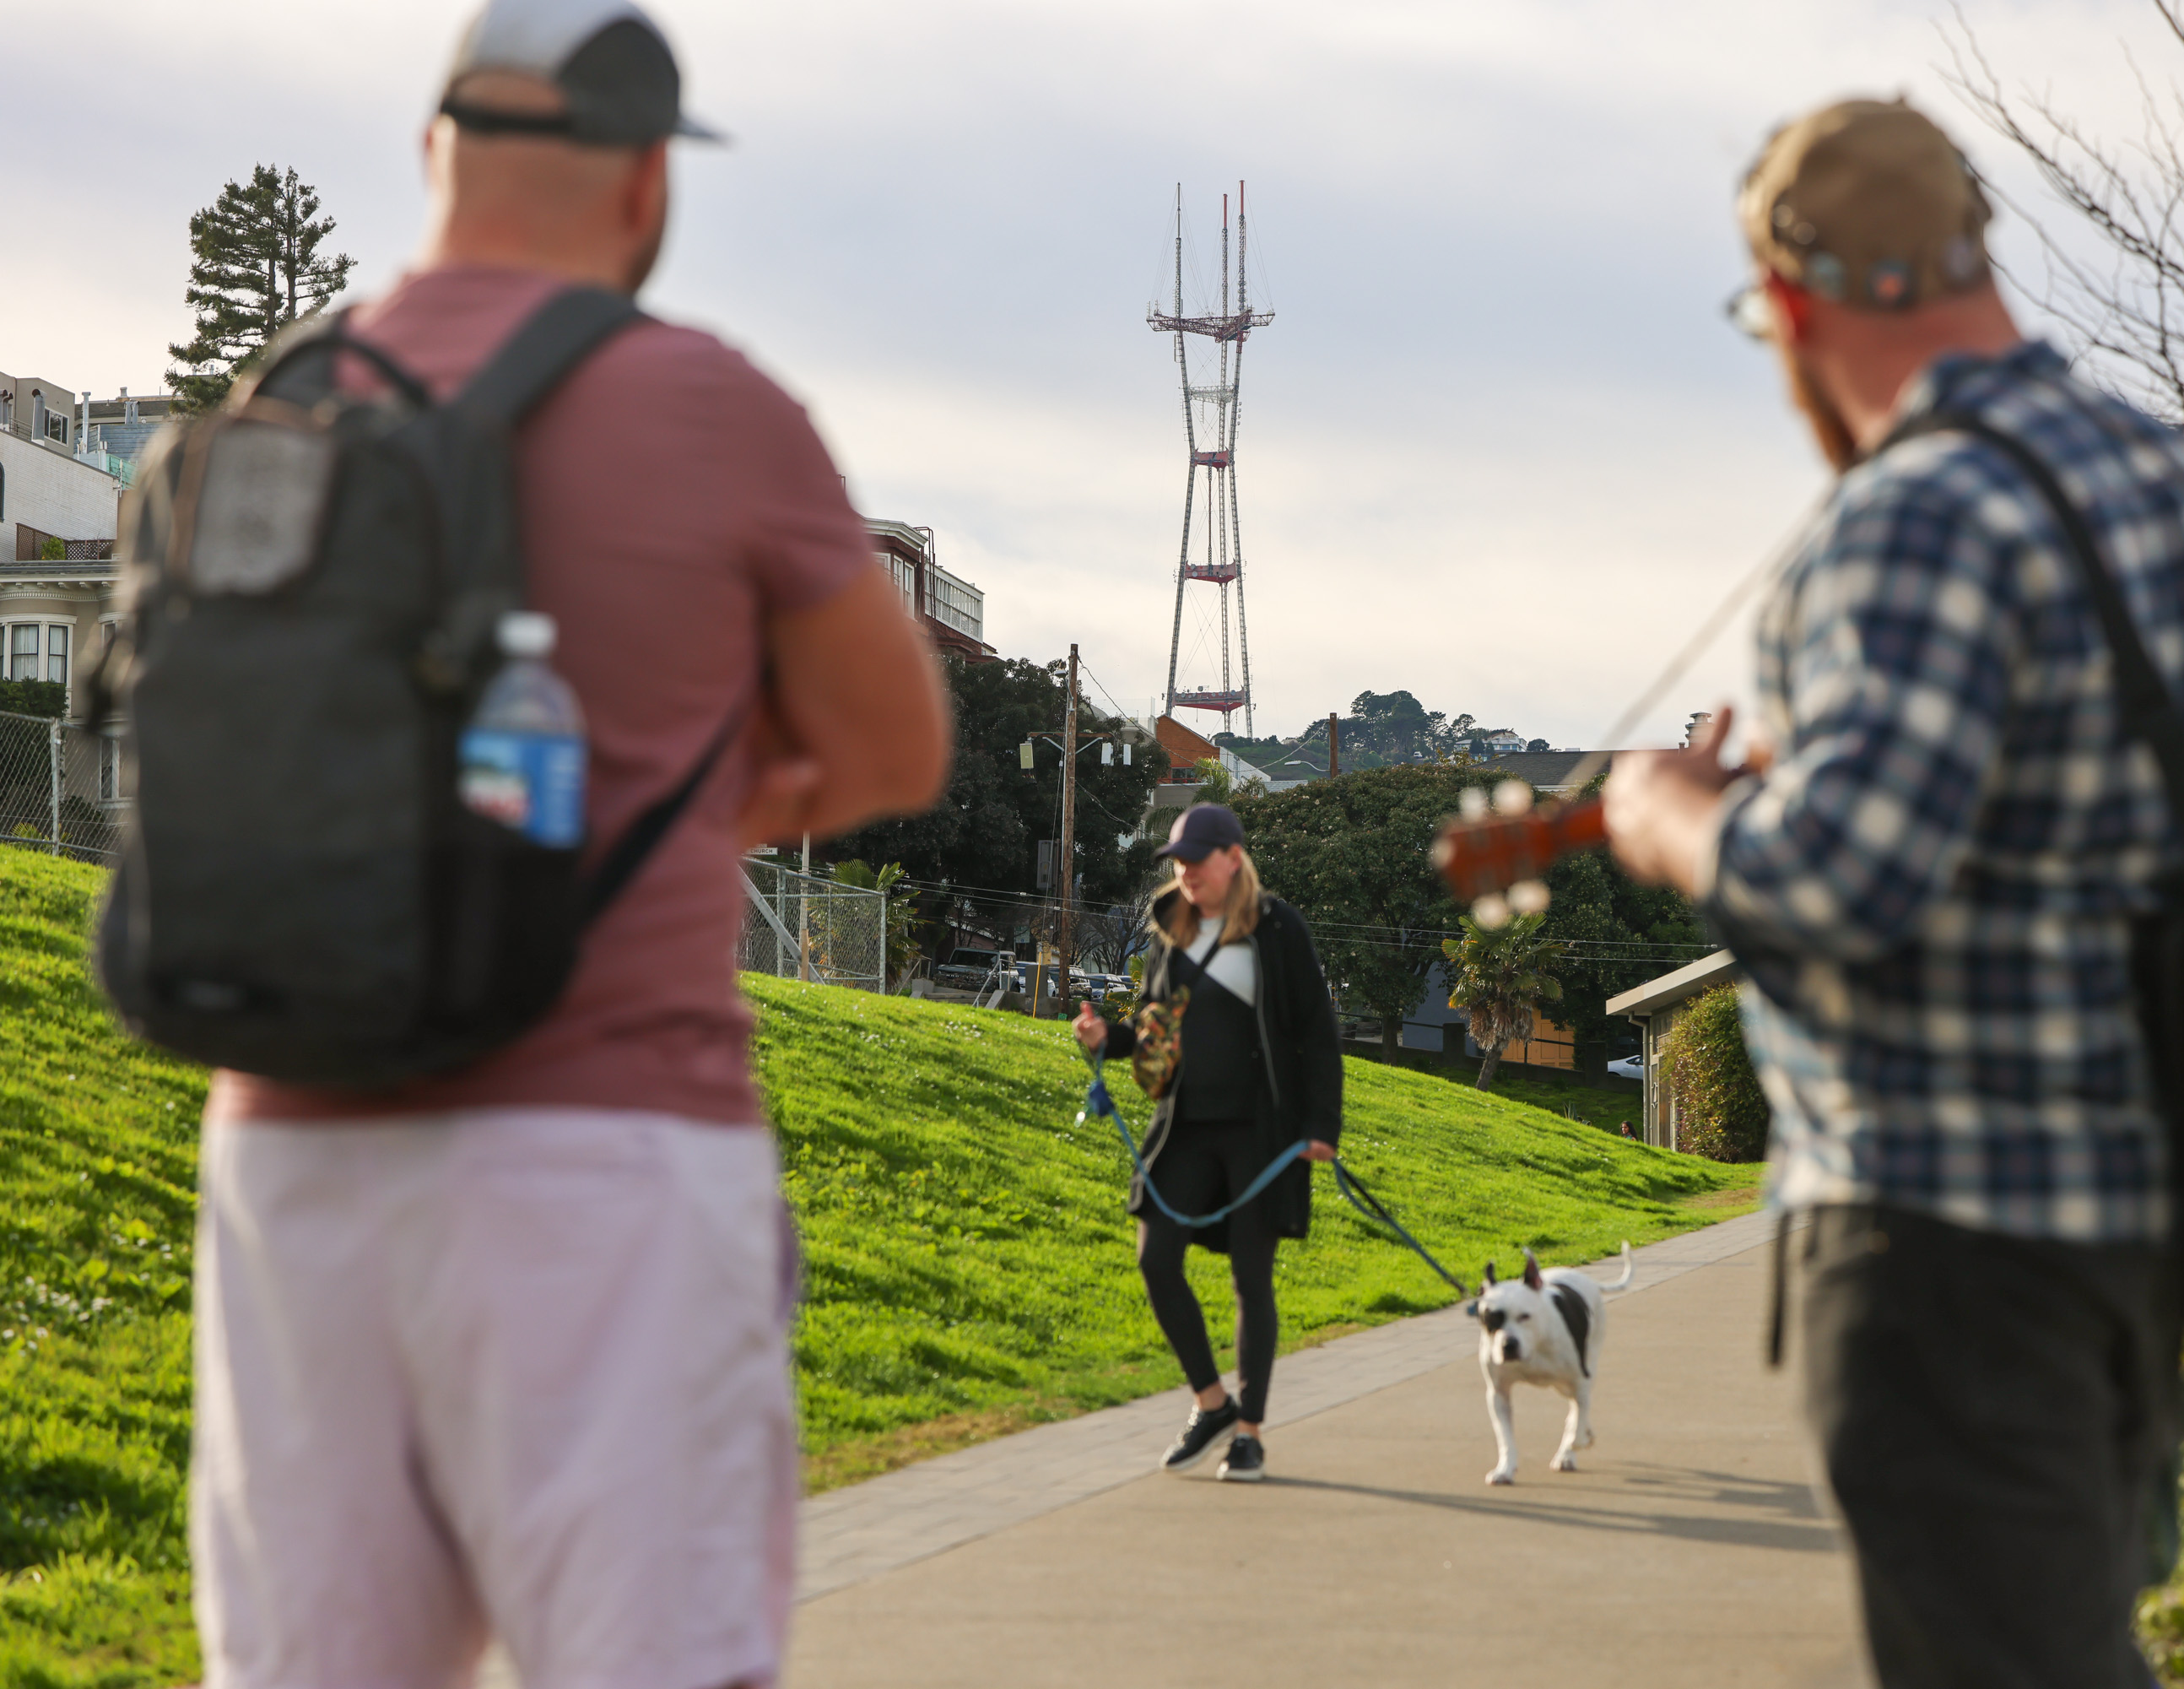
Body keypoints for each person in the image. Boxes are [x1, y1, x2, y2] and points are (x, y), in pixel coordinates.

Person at [1601, 99, 2184, 1686]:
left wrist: (1673, 818)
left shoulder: (1909, 515)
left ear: (1789, 301)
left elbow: (1835, 880)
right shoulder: (2146, 470)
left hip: (1940, 1253)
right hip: (2141, 1234)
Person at [187, 4, 951, 1685]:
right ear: (645, 179)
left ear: (434, 146)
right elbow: (897, 744)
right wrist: (728, 786)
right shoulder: (707, 404)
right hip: (597, 1153)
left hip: (288, 1156)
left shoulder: (280, 402)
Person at [1071, 803, 1343, 1483]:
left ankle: (1248, 1430)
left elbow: (1316, 1034)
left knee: (1252, 1278)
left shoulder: (1277, 928)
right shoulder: (1172, 927)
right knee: (1156, 1257)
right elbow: (1156, 1027)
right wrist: (1112, 1038)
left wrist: (1322, 1128)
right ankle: (1211, 1402)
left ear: (1232, 857)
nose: (1186, 871)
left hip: (1264, 1132)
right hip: (1185, 1127)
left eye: (1197, 859)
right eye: (1179, 861)